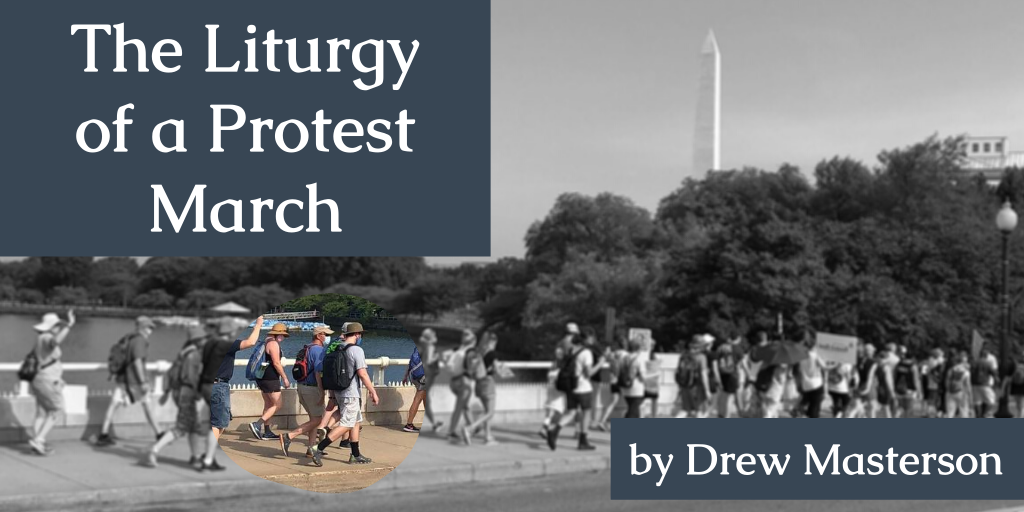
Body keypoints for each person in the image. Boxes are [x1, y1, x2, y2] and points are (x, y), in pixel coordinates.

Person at [304, 322, 380, 466]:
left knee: (355, 422)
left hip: (339, 390)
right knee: (346, 424)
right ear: (357, 334)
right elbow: (362, 373)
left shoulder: (338, 347)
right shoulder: (357, 350)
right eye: (360, 334)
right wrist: (373, 391)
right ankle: (317, 448)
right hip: (351, 392)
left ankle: (355, 455)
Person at [199, 315, 265, 471]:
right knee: (218, 424)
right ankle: (207, 459)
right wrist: (258, 325)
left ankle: (208, 454)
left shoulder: (208, 344)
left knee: (216, 422)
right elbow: (251, 342)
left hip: (206, 385)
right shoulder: (226, 344)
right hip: (219, 386)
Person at [141, 325, 208, 468]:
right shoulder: (193, 355)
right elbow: (190, 377)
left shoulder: (184, 353)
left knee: (193, 426)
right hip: (187, 393)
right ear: (197, 340)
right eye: (203, 338)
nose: (205, 341)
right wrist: (198, 392)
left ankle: (195, 457)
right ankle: (154, 450)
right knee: (181, 427)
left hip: (179, 392)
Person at [97, 316, 160, 446]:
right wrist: (143, 381)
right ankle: (159, 433)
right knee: (147, 406)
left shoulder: (128, 338)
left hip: (122, 379)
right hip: (134, 381)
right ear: (142, 327)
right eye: (149, 327)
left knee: (113, 405)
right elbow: (137, 362)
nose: (151, 330)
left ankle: (103, 434)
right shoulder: (140, 341)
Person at [26, 310, 75, 456]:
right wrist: (69, 325)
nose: (59, 328)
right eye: (58, 325)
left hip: (39, 378)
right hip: (48, 379)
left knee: (41, 412)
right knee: (57, 410)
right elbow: (56, 342)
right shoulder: (47, 337)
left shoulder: (39, 339)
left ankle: (38, 441)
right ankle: (39, 439)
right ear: (52, 326)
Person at [279, 325, 333, 459]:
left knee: (313, 419)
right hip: (312, 388)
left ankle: (311, 449)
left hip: (301, 386)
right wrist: (322, 392)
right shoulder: (319, 350)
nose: (326, 337)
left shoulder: (306, 348)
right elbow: (317, 372)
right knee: (317, 420)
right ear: (319, 335)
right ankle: (289, 436)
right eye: (325, 335)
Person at [546, 327, 597, 451]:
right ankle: (583, 440)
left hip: (570, 387)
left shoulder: (570, 351)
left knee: (571, 412)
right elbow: (588, 373)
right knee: (586, 413)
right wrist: (600, 363)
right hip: (583, 387)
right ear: (586, 339)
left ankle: (555, 430)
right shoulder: (586, 353)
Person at [248, 323, 291, 440]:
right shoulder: (273, 344)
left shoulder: (266, 341)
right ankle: (257, 424)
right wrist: (285, 378)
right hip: (271, 378)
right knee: (278, 404)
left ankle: (267, 432)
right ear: (277, 334)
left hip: (262, 377)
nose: (283, 338)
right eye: (282, 335)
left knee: (268, 405)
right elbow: (276, 363)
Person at [539, 323, 578, 439]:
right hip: (564, 376)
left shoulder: (559, 343)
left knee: (553, 404)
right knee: (570, 407)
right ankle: (577, 431)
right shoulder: (571, 345)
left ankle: (546, 425)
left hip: (553, 373)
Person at [464, 331, 499, 446]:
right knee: (490, 412)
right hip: (488, 383)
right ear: (493, 342)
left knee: (486, 411)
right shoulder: (492, 354)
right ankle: (470, 428)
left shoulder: (478, 352)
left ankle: (487, 437)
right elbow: (497, 369)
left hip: (478, 384)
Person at [402, 329, 441, 433]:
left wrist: (405, 376)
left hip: (416, 376)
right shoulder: (430, 347)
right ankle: (409, 424)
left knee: (425, 400)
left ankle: (433, 423)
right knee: (418, 399)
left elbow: (411, 361)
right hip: (424, 378)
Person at [597, 334, 628, 430]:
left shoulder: (613, 354)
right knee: (629, 402)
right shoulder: (626, 355)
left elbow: (604, 357)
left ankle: (603, 420)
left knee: (613, 401)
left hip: (613, 379)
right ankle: (602, 421)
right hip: (622, 380)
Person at [675, 335, 711, 418]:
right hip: (696, 387)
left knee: (685, 410)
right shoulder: (701, 357)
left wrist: (680, 387)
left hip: (685, 386)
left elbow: (679, 371)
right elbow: (703, 374)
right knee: (699, 411)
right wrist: (707, 390)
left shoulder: (683, 356)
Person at [712, 339, 743, 418]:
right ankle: (727, 416)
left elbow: (717, 368)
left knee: (724, 397)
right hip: (732, 376)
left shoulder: (718, 355)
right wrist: (739, 378)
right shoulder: (730, 354)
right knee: (730, 398)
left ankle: (722, 414)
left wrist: (718, 380)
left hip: (724, 376)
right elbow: (738, 367)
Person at [848, 344, 878, 418]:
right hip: (869, 386)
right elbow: (870, 377)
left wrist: (851, 386)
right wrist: (867, 389)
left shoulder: (858, 360)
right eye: (872, 350)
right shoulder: (873, 363)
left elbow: (852, 372)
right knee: (872, 407)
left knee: (857, 406)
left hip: (859, 384)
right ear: (871, 352)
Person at [622, 338, 647, 418]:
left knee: (632, 409)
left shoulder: (625, 358)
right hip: (636, 387)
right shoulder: (639, 359)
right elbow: (643, 377)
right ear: (638, 348)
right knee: (633, 411)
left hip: (625, 385)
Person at [891, 346, 920, 418]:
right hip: (909, 391)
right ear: (913, 357)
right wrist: (919, 391)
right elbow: (916, 380)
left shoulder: (899, 364)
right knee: (908, 410)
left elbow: (894, 376)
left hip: (898, 389)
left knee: (900, 408)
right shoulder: (913, 366)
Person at [972, 347, 999, 418]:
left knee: (977, 401)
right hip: (984, 384)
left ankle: (978, 415)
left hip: (974, 385)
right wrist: (996, 382)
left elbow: (971, 372)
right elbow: (994, 374)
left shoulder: (974, 362)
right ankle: (985, 413)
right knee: (991, 401)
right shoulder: (988, 363)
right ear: (986, 355)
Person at [945, 352, 973, 418]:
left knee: (950, 413)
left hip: (950, 392)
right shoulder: (966, 372)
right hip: (961, 393)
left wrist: (948, 391)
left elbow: (946, 382)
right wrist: (970, 396)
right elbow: (968, 385)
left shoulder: (950, 370)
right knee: (964, 412)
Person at [921, 348, 946, 418]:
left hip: (929, 383)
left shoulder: (929, 361)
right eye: (941, 355)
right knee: (933, 400)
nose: (942, 357)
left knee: (931, 399)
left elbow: (924, 373)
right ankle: (930, 413)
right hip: (934, 384)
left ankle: (928, 413)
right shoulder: (935, 362)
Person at [1004, 353, 1024, 418]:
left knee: (1018, 404)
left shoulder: (1014, 366)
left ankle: (1020, 416)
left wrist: (1003, 387)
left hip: (1015, 386)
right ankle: (1020, 416)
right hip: (1022, 386)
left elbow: (1008, 377)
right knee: (1021, 404)